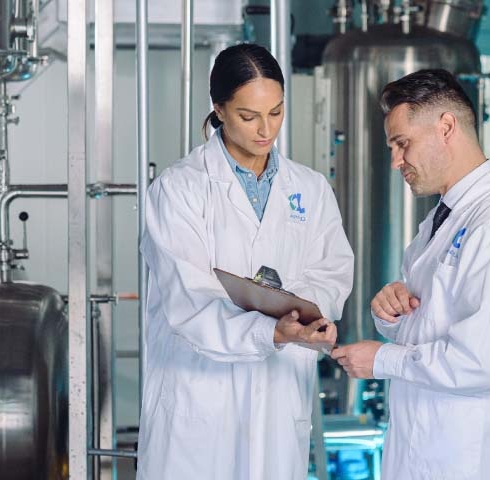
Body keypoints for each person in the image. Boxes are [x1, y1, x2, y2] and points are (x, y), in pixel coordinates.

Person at [137, 43, 353, 479]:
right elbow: (189, 300)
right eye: (248, 116)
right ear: (218, 109)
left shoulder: (310, 189)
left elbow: (332, 272)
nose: (265, 129)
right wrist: (266, 329)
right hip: (199, 399)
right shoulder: (180, 189)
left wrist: (301, 316)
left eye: (275, 112)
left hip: (278, 398)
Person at [331, 69, 490, 479]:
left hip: (474, 457)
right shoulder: (441, 220)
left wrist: (382, 360)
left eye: (402, 144)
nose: (396, 161)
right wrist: (389, 312)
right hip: (430, 447)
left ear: (446, 127)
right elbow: (430, 325)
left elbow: (484, 362)